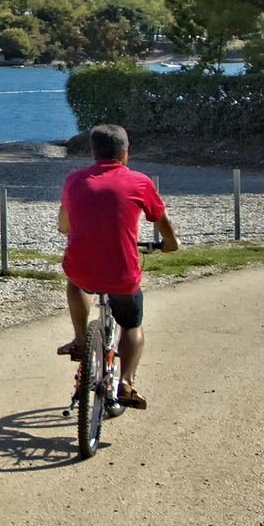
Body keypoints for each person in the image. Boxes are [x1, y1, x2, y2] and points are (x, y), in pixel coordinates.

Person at [57, 123, 178, 410]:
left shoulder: (74, 180)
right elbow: (161, 220)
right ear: (124, 153)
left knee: (74, 281)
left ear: (93, 152)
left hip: (81, 268)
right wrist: (170, 244)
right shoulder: (139, 181)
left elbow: (63, 226)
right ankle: (126, 382)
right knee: (132, 326)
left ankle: (80, 339)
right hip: (123, 276)